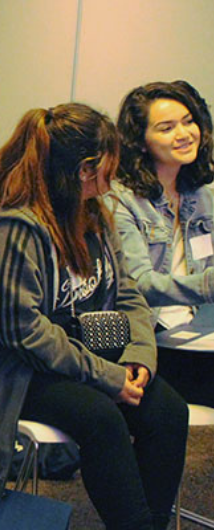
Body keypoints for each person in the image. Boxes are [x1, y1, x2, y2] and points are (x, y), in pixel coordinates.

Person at [0, 102, 189, 530]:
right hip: (11, 372)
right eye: (110, 162)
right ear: (85, 169)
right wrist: (107, 377)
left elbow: (126, 290)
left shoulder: (90, 210)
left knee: (168, 410)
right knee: (101, 419)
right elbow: (23, 334)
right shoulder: (11, 229)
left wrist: (137, 358)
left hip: (77, 351)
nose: (118, 171)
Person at [107, 80, 214, 407]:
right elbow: (138, 284)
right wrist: (207, 285)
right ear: (140, 142)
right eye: (167, 128)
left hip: (201, 331)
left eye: (188, 121)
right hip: (153, 340)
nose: (184, 134)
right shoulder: (121, 201)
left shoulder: (201, 196)